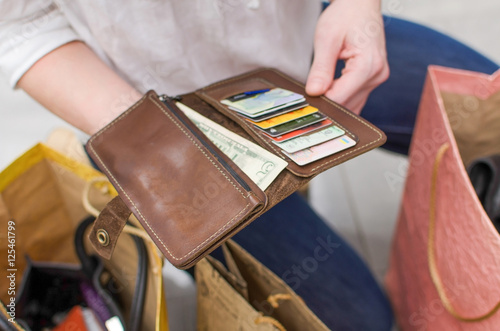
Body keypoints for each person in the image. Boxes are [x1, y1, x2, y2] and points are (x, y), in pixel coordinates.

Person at [7, 0, 496, 329]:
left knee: (489, 104)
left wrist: (358, 6)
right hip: (147, 112)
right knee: (360, 321)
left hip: (306, 45)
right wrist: (150, 137)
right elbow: (20, 24)